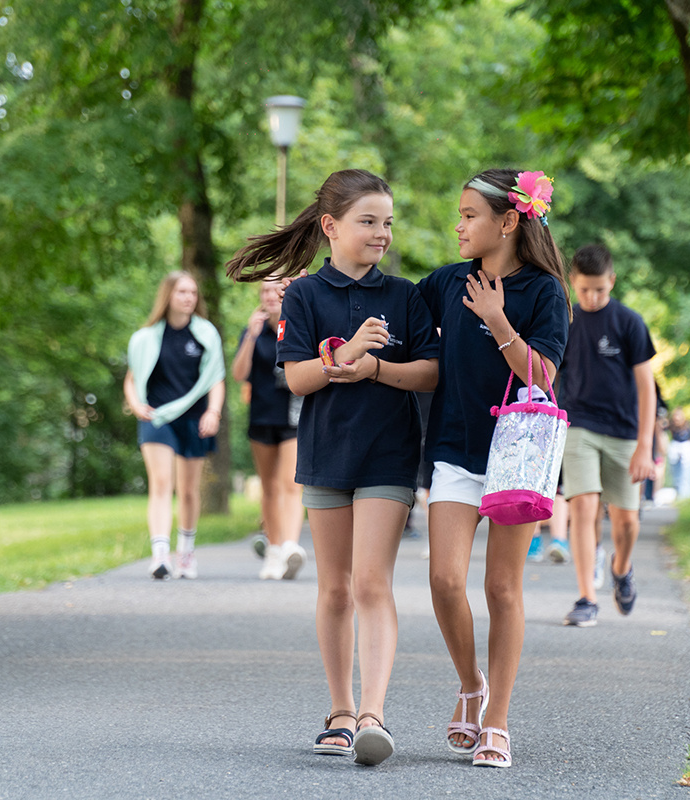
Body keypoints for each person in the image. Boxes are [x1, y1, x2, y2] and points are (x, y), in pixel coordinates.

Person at [227, 169, 439, 766]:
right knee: (335, 587)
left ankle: (373, 714)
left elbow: (429, 371)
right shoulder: (303, 296)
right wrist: (346, 354)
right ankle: (340, 710)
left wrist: (374, 368)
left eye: (387, 223)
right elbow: (296, 377)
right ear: (331, 226)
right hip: (324, 455)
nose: (382, 234)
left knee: (372, 583)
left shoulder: (405, 295)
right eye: (368, 221)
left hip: (390, 454)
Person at [419, 168, 571, 768]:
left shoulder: (544, 292)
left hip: (517, 456)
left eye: (468, 216)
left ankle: (498, 720)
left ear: (507, 222)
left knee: (502, 588)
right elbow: (392, 299)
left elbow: (545, 375)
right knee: (444, 580)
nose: (458, 225)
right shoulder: (447, 281)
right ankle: (470, 684)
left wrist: (498, 320)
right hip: (455, 450)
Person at [558, 243, 657, 626]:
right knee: (582, 506)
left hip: (624, 434)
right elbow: (553, 374)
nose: (592, 297)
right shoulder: (567, 323)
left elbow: (646, 388)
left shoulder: (629, 323)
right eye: (584, 290)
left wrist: (644, 447)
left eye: (599, 289)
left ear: (612, 281)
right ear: (573, 284)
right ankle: (586, 597)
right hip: (579, 425)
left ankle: (621, 566)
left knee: (626, 521)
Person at [123, 271, 225, 580]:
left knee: (189, 491)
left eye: (193, 293)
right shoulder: (147, 337)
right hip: (158, 417)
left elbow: (215, 379)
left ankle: (186, 553)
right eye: (182, 292)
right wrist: (135, 403)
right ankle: (159, 556)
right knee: (162, 482)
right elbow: (132, 378)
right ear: (168, 295)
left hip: (194, 417)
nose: (189, 298)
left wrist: (214, 412)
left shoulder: (205, 334)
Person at [231, 279, 307, 580]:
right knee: (268, 487)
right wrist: (250, 336)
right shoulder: (253, 331)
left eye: (276, 290)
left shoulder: (298, 325)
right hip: (262, 416)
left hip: (293, 415)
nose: (270, 296)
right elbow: (239, 374)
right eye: (264, 291)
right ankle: (273, 550)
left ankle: (290, 547)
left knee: (290, 483)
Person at [666, 407, 690, 499]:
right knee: (674, 469)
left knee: (687, 469)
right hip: (675, 445)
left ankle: (686, 492)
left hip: (686, 446)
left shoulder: (688, 425)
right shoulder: (671, 425)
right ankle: (677, 489)